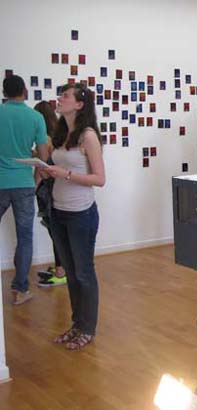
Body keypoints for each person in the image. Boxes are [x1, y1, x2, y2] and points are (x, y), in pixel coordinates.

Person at [44, 83, 105, 350]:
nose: (60, 99)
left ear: (79, 104)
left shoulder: (88, 136)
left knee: (83, 273)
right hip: (59, 212)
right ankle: (76, 324)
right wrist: (48, 170)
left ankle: (87, 328)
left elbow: (99, 179)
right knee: (70, 273)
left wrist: (65, 174)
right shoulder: (60, 134)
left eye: (65, 96)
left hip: (81, 214)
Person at [0, 75, 49, 305]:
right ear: (24, 90)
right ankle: (20, 289)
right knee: (25, 237)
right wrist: (36, 179)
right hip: (23, 183)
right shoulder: (36, 117)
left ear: (4, 92)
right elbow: (43, 156)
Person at [33, 101, 67, 286]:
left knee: (54, 229)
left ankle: (61, 270)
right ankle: (60, 266)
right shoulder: (57, 136)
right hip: (57, 187)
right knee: (55, 229)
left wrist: (34, 186)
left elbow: (43, 165)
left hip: (48, 188)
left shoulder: (45, 138)